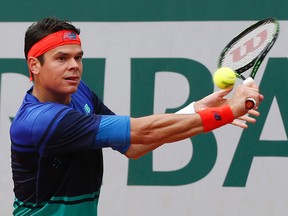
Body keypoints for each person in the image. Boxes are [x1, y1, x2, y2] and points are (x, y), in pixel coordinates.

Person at [10, 17, 263, 216]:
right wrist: (228, 111)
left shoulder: (80, 93)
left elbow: (133, 145)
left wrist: (194, 111)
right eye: (61, 58)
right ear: (34, 65)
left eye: (78, 57)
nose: (74, 66)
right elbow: (144, 131)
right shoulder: (41, 122)